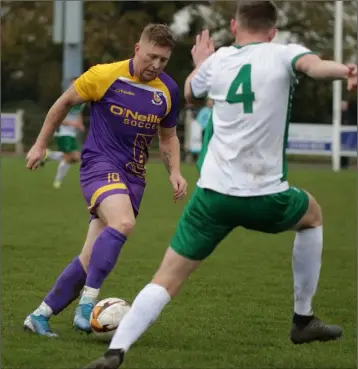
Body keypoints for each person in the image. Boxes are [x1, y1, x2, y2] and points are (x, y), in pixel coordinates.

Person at [82, 1, 358, 368]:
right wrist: (346, 71)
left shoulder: (220, 59)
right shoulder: (284, 54)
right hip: (265, 194)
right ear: (273, 31)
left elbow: (192, 91)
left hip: (211, 197)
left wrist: (202, 62)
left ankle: (115, 352)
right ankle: (303, 319)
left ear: (234, 25)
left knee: (165, 279)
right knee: (312, 215)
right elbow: (314, 66)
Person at [24, 23, 187, 337]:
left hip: (134, 177)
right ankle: (87, 304)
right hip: (99, 164)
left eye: (163, 60)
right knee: (123, 223)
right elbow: (63, 103)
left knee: (90, 257)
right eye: (152, 56)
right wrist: (41, 143)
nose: (156, 65)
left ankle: (40, 315)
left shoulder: (168, 91)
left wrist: (175, 172)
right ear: (137, 48)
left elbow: (168, 138)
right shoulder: (104, 75)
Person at [44, 89, 86, 188]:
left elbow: (78, 113)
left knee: (74, 158)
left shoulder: (81, 102)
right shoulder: (66, 101)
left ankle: (49, 155)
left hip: (71, 134)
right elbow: (57, 118)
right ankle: (57, 181)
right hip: (62, 133)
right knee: (72, 157)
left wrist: (80, 124)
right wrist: (72, 123)